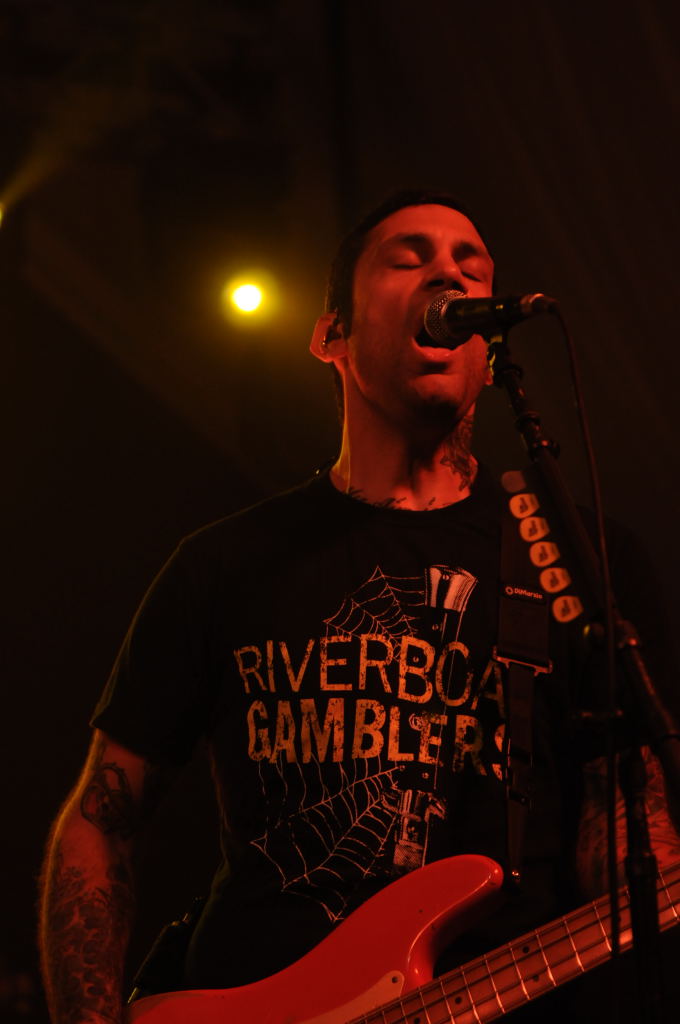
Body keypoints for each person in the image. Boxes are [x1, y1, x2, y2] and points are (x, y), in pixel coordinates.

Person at [39, 191, 680, 1024]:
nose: (448, 273)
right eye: (408, 258)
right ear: (331, 335)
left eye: (471, 266)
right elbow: (100, 823)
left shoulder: (578, 557)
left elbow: (624, 821)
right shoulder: (224, 563)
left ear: (489, 356)